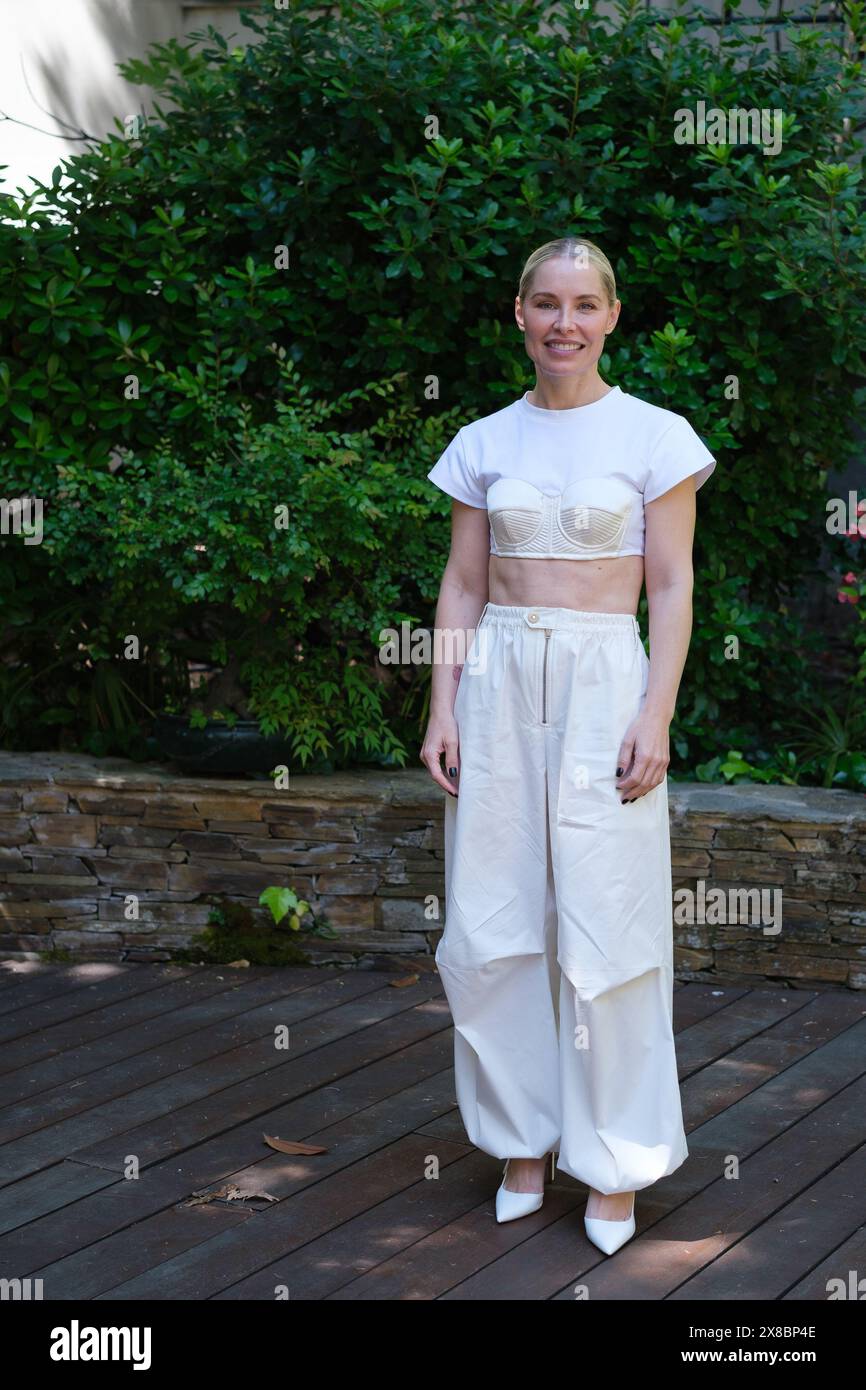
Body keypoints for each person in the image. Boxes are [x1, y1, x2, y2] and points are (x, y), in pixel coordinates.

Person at [420, 236, 716, 1256]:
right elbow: (462, 583)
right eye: (545, 304)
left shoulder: (655, 436)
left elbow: (671, 586)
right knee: (492, 918)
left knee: (609, 920)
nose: (563, 323)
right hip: (498, 678)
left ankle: (614, 1160)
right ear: (517, 315)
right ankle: (519, 1144)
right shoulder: (481, 442)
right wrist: (440, 706)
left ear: (611, 316)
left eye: (583, 304)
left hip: (603, 684)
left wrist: (656, 711)